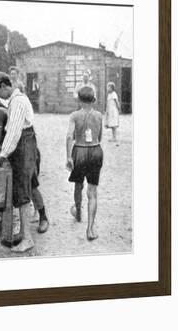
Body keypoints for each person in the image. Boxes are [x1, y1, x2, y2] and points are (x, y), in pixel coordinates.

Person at [0, 72, 43, 252]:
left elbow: (14, 131)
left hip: (23, 146)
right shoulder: (16, 99)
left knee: (22, 192)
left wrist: (2, 155)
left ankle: (28, 239)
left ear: (5, 86)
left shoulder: (18, 102)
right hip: (25, 144)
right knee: (23, 190)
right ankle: (22, 232)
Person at [66, 86, 104, 241]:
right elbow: (100, 137)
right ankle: (90, 229)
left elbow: (69, 136)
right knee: (92, 192)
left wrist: (68, 157)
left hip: (80, 150)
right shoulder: (99, 115)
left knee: (78, 184)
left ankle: (79, 213)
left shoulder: (74, 115)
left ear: (79, 99)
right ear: (93, 99)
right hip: (95, 150)